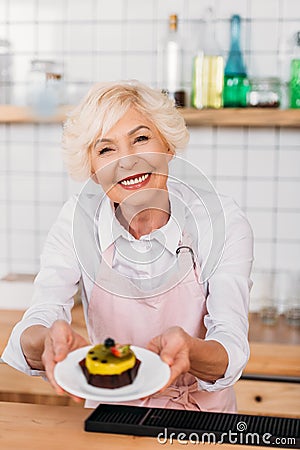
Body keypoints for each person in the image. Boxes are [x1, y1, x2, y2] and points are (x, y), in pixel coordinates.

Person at [2, 80, 253, 412]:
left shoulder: (219, 220)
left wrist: (189, 351)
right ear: (92, 170)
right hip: (108, 416)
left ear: (167, 147)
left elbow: (230, 343)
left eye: (141, 139)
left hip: (204, 421)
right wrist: (47, 341)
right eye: (106, 149)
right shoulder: (77, 222)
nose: (128, 161)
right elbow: (41, 315)